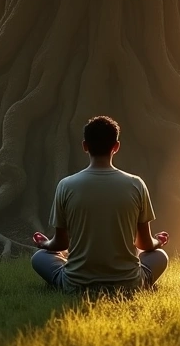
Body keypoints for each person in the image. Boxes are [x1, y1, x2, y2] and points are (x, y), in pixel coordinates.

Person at [30, 116, 170, 293]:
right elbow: (144, 244)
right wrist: (158, 241)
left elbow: (60, 244)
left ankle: (71, 276)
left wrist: (45, 244)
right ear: (116, 147)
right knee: (159, 256)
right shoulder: (136, 184)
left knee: (39, 257)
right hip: (129, 283)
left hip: (76, 284)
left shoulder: (66, 185)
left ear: (85, 146)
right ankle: (137, 283)